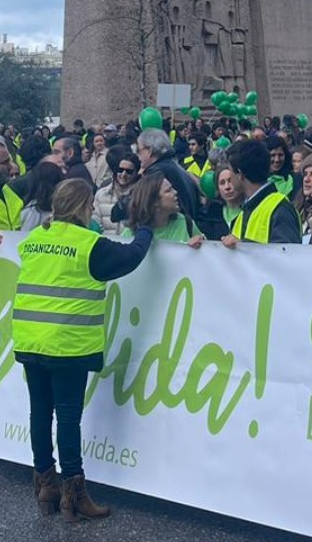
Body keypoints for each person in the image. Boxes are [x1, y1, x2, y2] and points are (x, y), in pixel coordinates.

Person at [18, 179, 156, 521]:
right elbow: (132, 257)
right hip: (68, 343)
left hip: (30, 338)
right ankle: (74, 493)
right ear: (83, 206)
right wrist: (145, 232)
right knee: (67, 417)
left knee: (39, 413)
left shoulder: (34, 240)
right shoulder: (89, 245)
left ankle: (44, 482)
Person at [221, 139, 300, 245]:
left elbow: (288, 256)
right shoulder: (244, 211)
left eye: (230, 171)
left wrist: (245, 247)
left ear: (240, 174)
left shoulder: (280, 208)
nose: (230, 177)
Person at [124, 173, 203, 245]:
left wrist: (197, 245)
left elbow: (207, 252)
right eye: (168, 191)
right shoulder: (130, 234)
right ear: (154, 201)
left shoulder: (186, 222)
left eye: (172, 188)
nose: (175, 192)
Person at [94, 149, 141, 234]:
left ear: (136, 173)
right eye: (120, 170)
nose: (123, 174)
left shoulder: (140, 196)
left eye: (129, 171)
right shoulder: (101, 194)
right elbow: (95, 222)